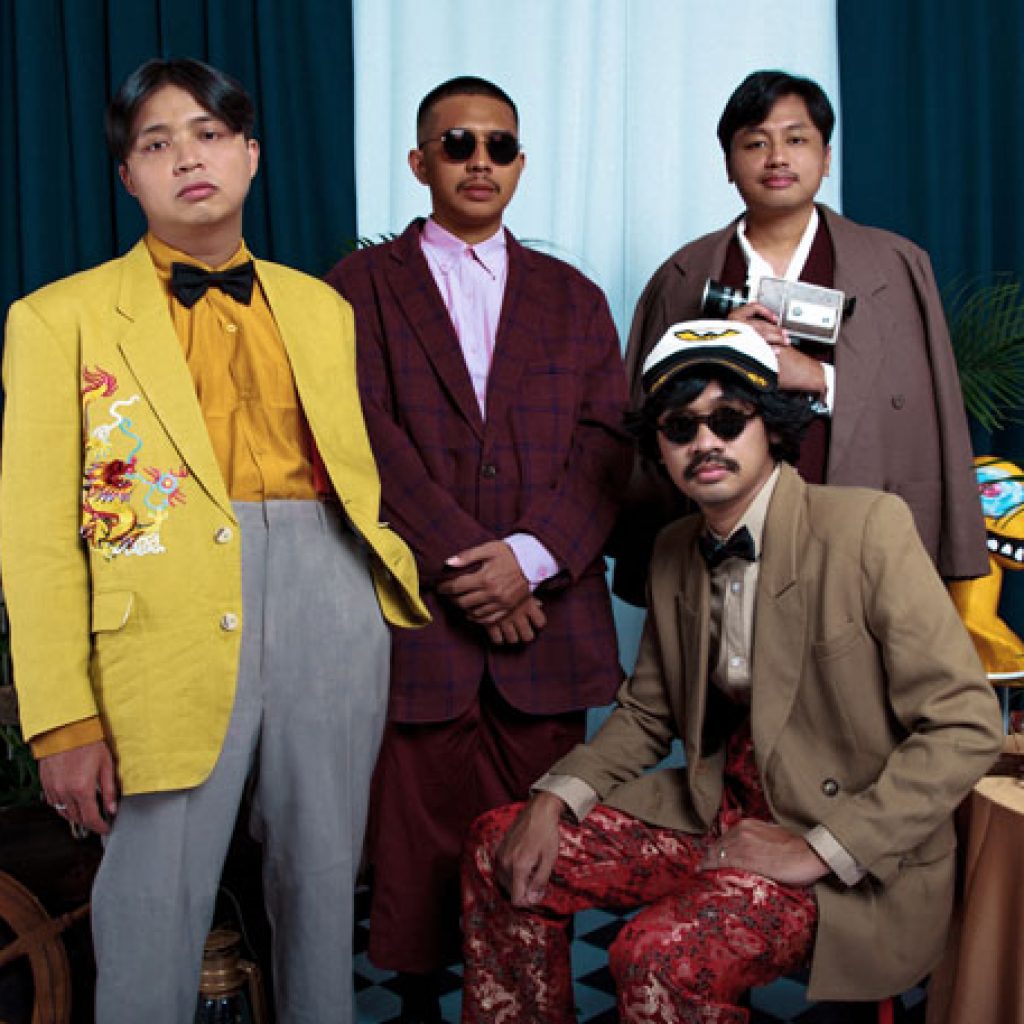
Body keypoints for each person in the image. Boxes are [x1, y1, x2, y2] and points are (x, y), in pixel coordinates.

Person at [0, 57, 428, 1024]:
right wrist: (62, 721)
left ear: (250, 154)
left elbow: (354, 472)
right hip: (162, 628)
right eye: (157, 144)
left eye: (208, 134)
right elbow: (35, 537)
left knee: (325, 885)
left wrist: (369, 591)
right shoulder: (56, 319)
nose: (187, 158)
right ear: (129, 177)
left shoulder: (321, 308)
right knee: (152, 903)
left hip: (327, 598)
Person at [461, 321, 1003, 1023]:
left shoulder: (868, 528)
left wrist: (820, 848)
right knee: (497, 846)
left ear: (772, 427)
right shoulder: (672, 550)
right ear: (659, 447)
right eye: (680, 426)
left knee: (657, 958)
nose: (704, 442)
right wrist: (553, 801)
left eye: (727, 419)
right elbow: (647, 714)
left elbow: (965, 724)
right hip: (717, 811)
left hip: (843, 835)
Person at [325, 75, 631, 1022]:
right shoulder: (357, 289)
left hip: (547, 621)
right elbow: (361, 441)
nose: (480, 161)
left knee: (534, 853)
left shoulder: (575, 298)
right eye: (458, 144)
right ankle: (415, 1002)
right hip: (421, 616)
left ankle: (527, 1005)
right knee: (413, 846)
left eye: (499, 145)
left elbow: (607, 444)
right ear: (420, 162)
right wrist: (476, 568)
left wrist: (530, 560)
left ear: (521, 163)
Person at [612, 69, 986, 606]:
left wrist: (818, 378)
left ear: (826, 157)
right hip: (720, 543)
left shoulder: (896, 266)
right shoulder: (683, 277)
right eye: (755, 143)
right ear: (727, 164)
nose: (777, 158)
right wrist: (716, 350)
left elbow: (927, 418)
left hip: (857, 532)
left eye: (796, 140)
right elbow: (647, 424)